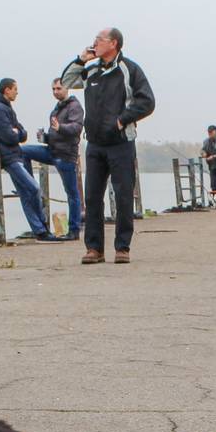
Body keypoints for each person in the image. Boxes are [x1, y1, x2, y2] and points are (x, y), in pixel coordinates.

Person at [60, 27, 155, 264]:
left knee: (123, 196)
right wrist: (81, 59)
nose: (94, 43)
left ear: (113, 43)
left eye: (98, 40)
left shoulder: (129, 70)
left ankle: (122, 247)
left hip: (121, 143)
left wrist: (122, 120)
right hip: (95, 143)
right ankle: (94, 249)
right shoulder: (92, 71)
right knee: (92, 197)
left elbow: (147, 101)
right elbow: (67, 81)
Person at [0, 78, 54, 240]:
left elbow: (22, 133)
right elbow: (9, 136)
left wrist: (18, 132)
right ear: (7, 90)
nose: (17, 92)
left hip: (15, 154)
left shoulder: (6, 107)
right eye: (15, 89)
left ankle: (40, 231)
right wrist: (16, 133)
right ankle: (42, 225)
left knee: (25, 193)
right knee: (33, 188)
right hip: (8, 157)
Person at [18, 78, 85, 241]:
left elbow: (77, 128)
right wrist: (45, 137)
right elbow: (56, 134)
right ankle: (29, 183)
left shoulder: (74, 107)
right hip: (51, 151)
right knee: (22, 151)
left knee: (72, 194)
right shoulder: (57, 108)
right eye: (53, 89)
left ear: (67, 89)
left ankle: (74, 230)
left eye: (58, 88)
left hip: (66, 155)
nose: (56, 92)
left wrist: (60, 127)